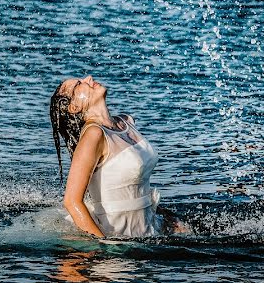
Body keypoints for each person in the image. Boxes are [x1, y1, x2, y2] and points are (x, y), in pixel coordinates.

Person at [50, 75, 177, 238]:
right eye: (79, 84)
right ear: (73, 107)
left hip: (151, 229)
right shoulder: (93, 134)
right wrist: (103, 245)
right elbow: (71, 201)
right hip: (117, 236)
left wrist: (169, 220)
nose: (89, 78)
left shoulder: (126, 122)